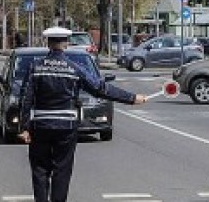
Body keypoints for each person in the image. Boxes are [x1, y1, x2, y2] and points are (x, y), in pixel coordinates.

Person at [18, 26, 147, 202]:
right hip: (66, 127)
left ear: (48, 43)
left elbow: (26, 98)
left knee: (40, 170)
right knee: (61, 171)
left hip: (40, 126)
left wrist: (25, 127)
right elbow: (100, 88)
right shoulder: (74, 68)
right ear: (66, 44)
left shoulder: (35, 67)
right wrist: (132, 98)